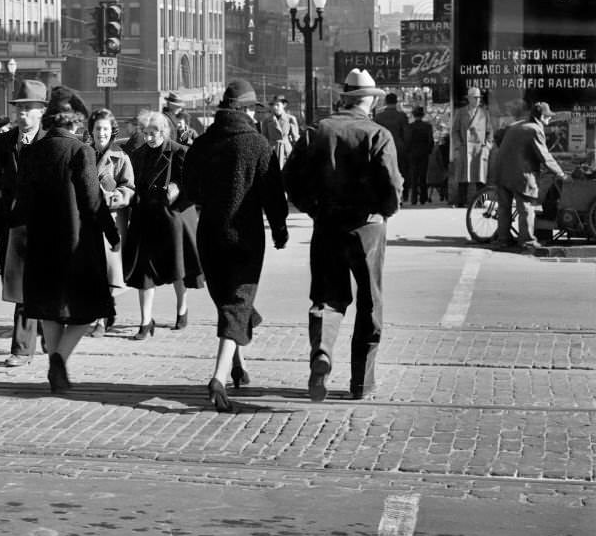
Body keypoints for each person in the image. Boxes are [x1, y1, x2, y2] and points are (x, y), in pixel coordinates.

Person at [284, 68, 402, 402]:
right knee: (369, 302)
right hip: (367, 227)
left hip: (327, 224)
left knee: (327, 297)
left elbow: (289, 176)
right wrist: (385, 211)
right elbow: (392, 184)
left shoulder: (317, 130)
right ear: (370, 101)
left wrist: (312, 208)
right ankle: (361, 382)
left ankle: (322, 350)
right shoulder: (378, 135)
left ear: (344, 97)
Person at [183, 80, 289, 413]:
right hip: (244, 236)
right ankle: (218, 377)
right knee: (238, 301)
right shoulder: (257, 145)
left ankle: (237, 364)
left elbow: (190, 190)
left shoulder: (202, 144)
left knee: (229, 302)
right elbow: (273, 195)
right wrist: (280, 229)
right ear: (245, 111)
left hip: (209, 234)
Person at [14, 92, 115, 393]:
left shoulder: (32, 152)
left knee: (51, 311)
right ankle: (58, 359)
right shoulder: (80, 151)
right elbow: (92, 200)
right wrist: (112, 234)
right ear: (77, 122)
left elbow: (23, 202)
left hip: (41, 245)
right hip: (76, 245)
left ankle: (55, 369)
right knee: (87, 310)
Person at [0, 80, 49, 367]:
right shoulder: (1, 143)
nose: (21, 115)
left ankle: (23, 347)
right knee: (19, 286)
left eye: (28, 109)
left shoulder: (53, 142)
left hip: (43, 225)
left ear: (41, 112)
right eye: (19, 109)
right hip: (10, 225)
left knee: (33, 286)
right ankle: (42, 332)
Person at [122, 110, 202, 338]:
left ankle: (182, 309)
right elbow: (131, 184)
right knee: (144, 273)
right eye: (146, 133)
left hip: (171, 217)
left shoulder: (179, 152)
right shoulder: (138, 155)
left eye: (154, 133)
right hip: (145, 218)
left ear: (164, 131)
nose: (149, 138)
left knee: (177, 269)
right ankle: (146, 322)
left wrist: (177, 189)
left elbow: (193, 187)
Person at [492, 102, 566, 250]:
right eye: (548, 116)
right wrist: (561, 173)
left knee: (504, 207)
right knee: (526, 207)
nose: (550, 119)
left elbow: (498, 135)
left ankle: (503, 240)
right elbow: (544, 156)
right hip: (519, 172)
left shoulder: (519, 124)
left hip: (501, 168)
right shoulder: (535, 130)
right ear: (541, 117)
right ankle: (527, 241)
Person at [87, 108, 135, 337]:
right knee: (93, 271)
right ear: (92, 131)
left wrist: (115, 196)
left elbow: (129, 187)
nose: (101, 133)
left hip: (112, 220)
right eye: (98, 129)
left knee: (109, 271)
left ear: (112, 131)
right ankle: (104, 312)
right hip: (88, 221)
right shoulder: (84, 153)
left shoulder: (121, 157)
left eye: (105, 129)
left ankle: (101, 320)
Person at [450, 87, 493, 207]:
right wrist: (458, 146)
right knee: (463, 177)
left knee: (481, 178)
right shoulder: (461, 112)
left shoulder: (484, 113)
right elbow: (455, 131)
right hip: (465, 148)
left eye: (478, 98)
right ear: (469, 99)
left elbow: (490, 132)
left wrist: (487, 146)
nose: (477, 100)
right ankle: (461, 202)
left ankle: (483, 202)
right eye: (475, 98)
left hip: (480, 149)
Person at [375, 93, 410, 203]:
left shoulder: (378, 117)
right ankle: (402, 196)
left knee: (383, 172)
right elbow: (406, 134)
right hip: (399, 148)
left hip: (382, 148)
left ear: (385, 102)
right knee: (401, 172)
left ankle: (385, 197)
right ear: (396, 102)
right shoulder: (402, 116)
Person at [261, 95, 300, 168]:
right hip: (272, 151)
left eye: (277, 105)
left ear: (284, 105)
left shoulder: (290, 119)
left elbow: (296, 138)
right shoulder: (266, 121)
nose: (275, 107)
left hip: (286, 150)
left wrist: (297, 153)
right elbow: (264, 139)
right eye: (273, 105)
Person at [407, 106, 435, 205]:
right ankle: (423, 198)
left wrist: (408, 151)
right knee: (423, 176)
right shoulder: (427, 126)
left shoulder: (410, 127)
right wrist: (429, 151)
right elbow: (431, 141)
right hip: (424, 153)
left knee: (413, 176)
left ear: (414, 115)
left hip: (413, 153)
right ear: (422, 115)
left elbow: (408, 141)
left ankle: (413, 199)